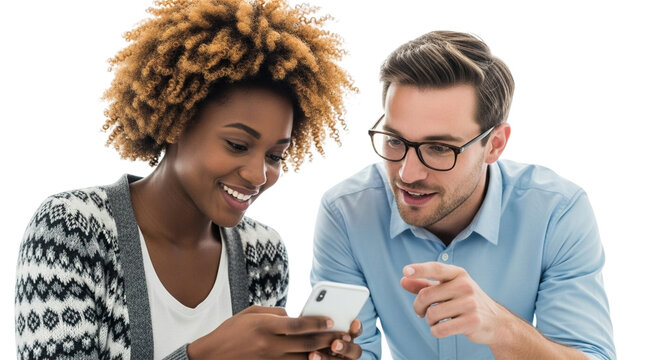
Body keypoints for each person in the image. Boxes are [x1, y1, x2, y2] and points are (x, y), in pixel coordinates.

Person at [14, 0, 363, 359]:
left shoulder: (263, 253)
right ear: (177, 122)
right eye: (237, 144)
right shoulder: (72, 229)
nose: (259, 175)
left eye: (275, 156)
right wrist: (204, 355)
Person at [311, 30, 615, 359]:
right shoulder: (346, 213)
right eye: (395, 141)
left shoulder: (558, 212)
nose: (407, 174)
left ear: (494, 144)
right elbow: (357, 352)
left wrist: (501, 328)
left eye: (439, 148)